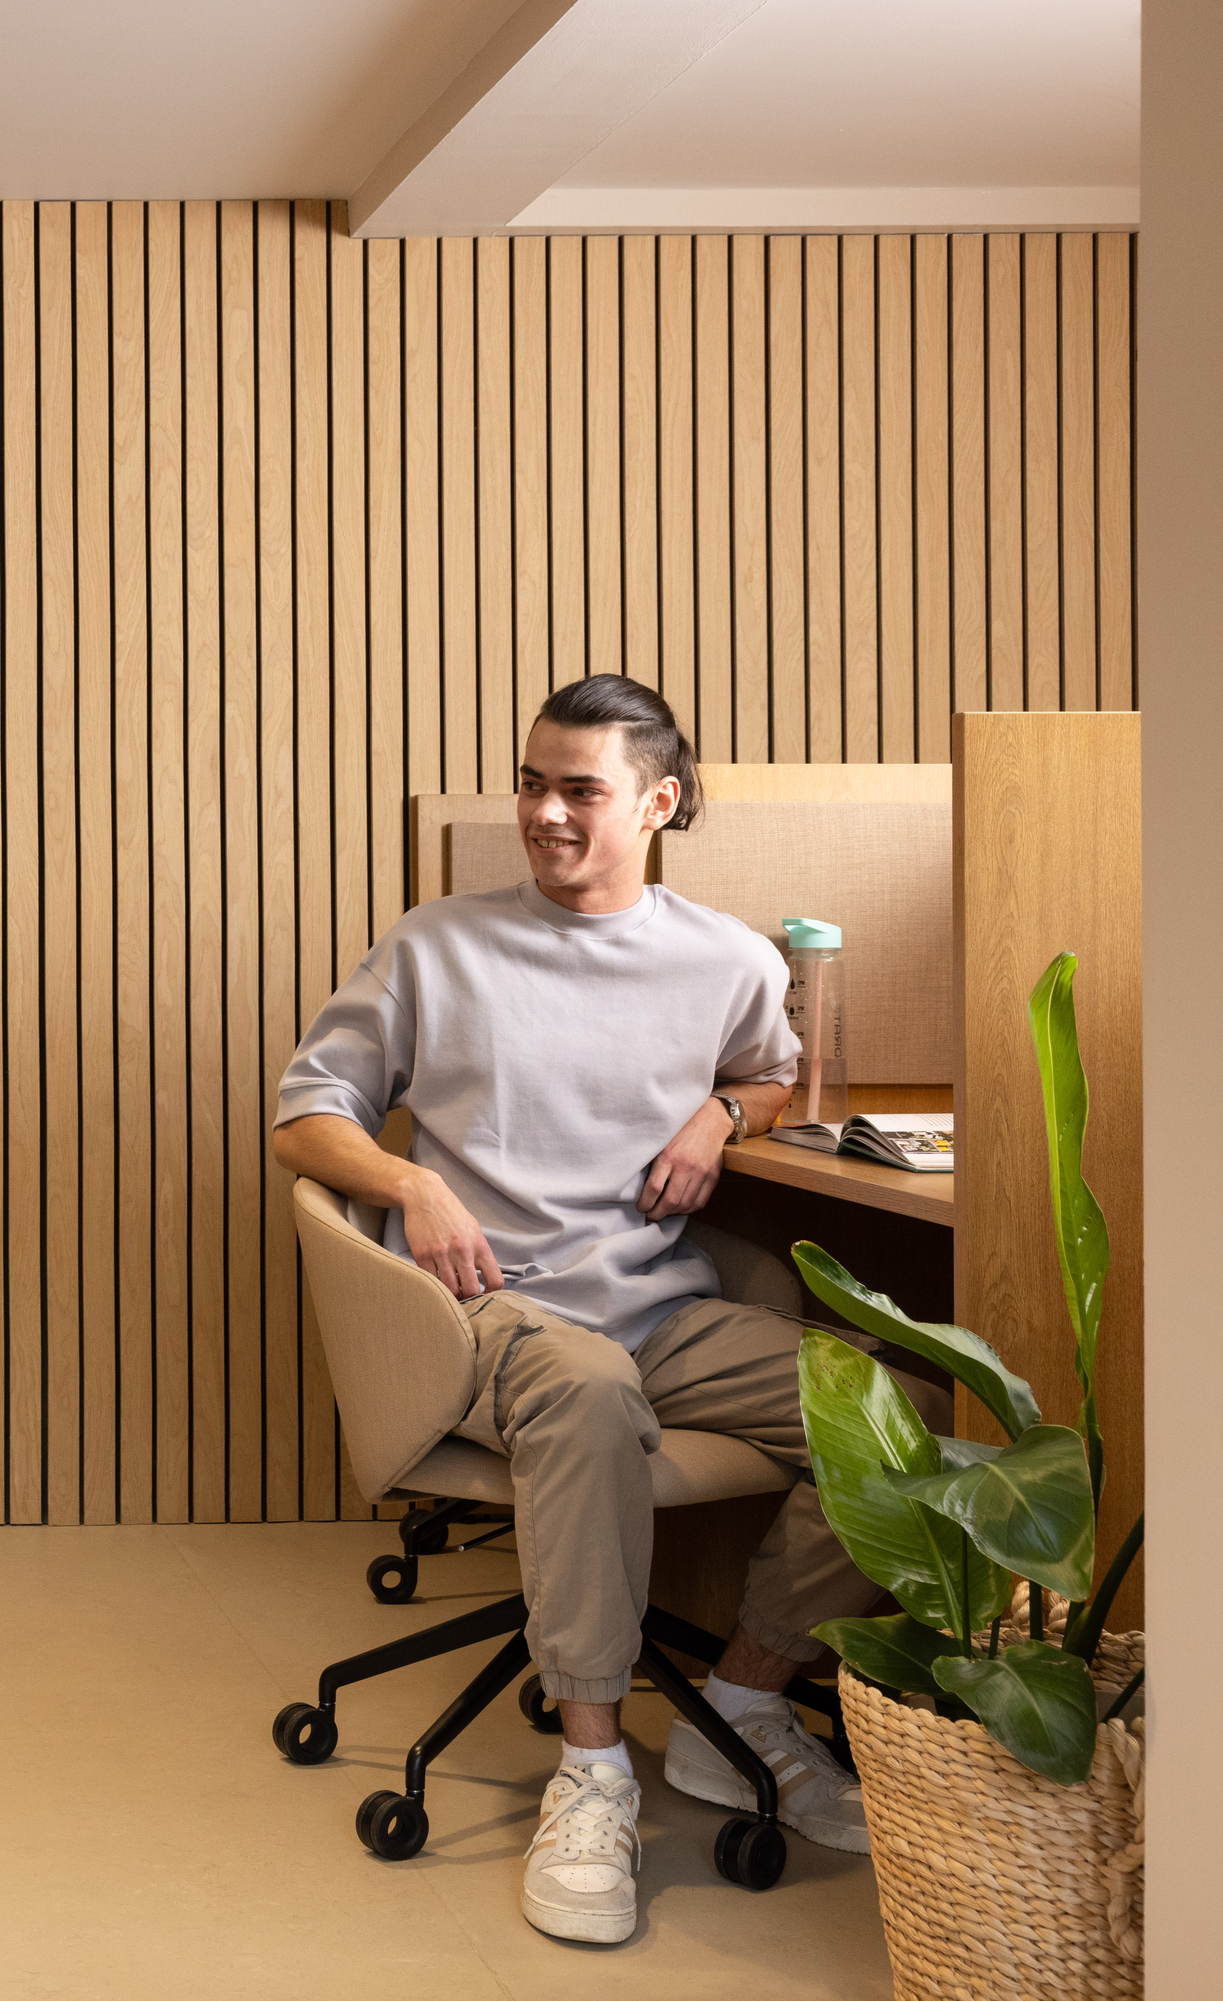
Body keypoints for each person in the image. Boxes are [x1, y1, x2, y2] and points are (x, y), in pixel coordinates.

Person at [272, 674, 883, 1948]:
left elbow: (773, 1077)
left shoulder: (725, 958)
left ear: (658, 803)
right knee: (590, 1392)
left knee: (901, 1419)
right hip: (493, 1309)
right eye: (533, 783)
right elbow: (304, 1115)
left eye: (580, 790)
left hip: (665, 1314)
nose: (545, 814)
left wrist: (722, 1115)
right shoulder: (437, 946)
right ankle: (593, 1766)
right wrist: (411, 1182)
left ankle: (747, 1703)